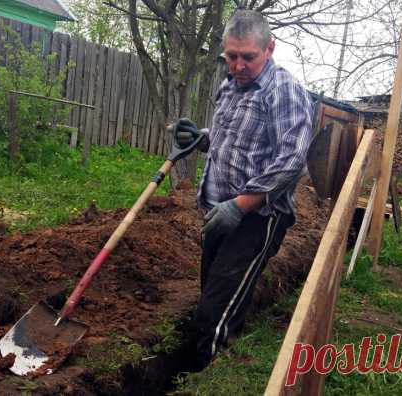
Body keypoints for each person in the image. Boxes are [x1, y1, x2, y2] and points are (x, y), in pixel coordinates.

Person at [175, 10, 314, 370]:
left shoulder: (283, 89)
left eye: (247, 57)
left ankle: (207, 375)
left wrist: (241, 205)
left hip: (257, 216)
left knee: (215, 314)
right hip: (219, 210)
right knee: (212, 293)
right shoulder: (229, 85)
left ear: (269, 48)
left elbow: (292, 158)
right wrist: (202, 139)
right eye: (231, 56)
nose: (238, 65)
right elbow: (234, 139)